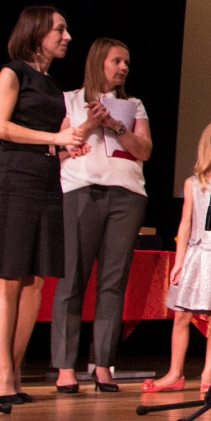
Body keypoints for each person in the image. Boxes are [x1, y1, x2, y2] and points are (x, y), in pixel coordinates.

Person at [0, 6, 84, 404]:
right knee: (8, 274)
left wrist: (76, 138)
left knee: (35, 278)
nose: (67, 36)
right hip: (13, 178)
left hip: (46, 179)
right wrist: (54, 139)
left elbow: (57, 139)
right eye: (60, 29)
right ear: (37, 33)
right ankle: (0, 370)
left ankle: (15, 368)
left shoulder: (53, 86)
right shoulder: (12, 72)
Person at [50, 37, 152, 393]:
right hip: (82, 191)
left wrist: (116, 125)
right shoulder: (70, 100)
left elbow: (145, 151)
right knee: (72, 279)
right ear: (98, 62)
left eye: (126, 62)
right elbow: (55, 152)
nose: (123, 68)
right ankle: (65, 367)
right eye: (116, 61)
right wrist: (91, 125)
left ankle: (103, 365)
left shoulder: (133, 105)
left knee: (113, 282)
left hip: (127, 196)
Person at [141, 122, 211, 394]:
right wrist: (179, 261)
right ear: (209, 145)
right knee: (182, 315)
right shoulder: (193, 183)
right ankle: (174, 373)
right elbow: (185, 222)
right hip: (197, 252)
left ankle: (208, 374)